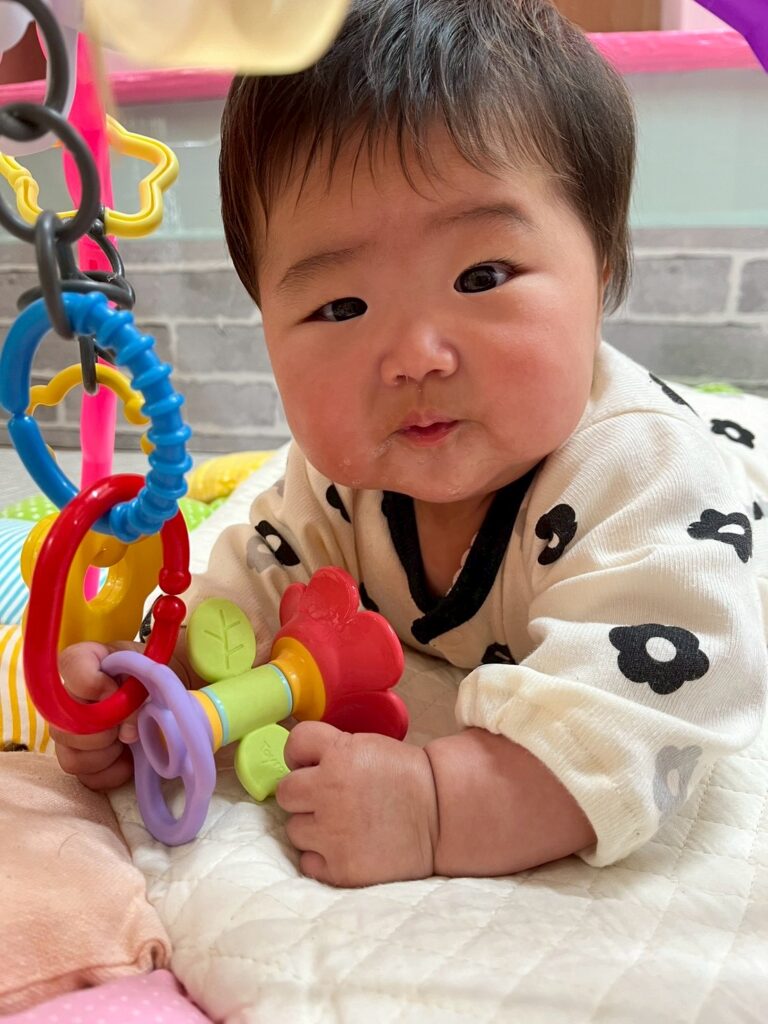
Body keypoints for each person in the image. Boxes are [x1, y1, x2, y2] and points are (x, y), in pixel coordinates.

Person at [52, 0, 768, 887]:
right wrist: (147, 689)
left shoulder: (646, 475)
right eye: (341, 306)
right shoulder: (335, 480)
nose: (414, 358)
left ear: (604, 271)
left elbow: (650, 706)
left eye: (482, 276)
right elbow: (248, 601)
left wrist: (438, 806)